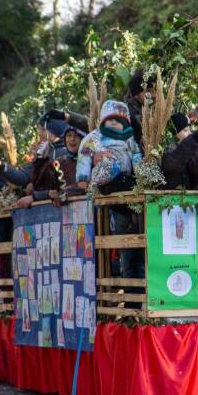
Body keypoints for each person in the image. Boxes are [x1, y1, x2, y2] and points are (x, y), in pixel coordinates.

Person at [77, 100, 144, 279]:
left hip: (127, 188)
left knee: (134, 251)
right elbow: (84, 154)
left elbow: (136, 154)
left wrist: (140, 169)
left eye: (119, 121)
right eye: (110, 120)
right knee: (110, 164)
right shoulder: (96, 137)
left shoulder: (129, 140)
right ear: (102, 121)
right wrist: (83, 178)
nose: (114, 124)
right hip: (107, 180)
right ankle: (95, 183)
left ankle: (133, 296)